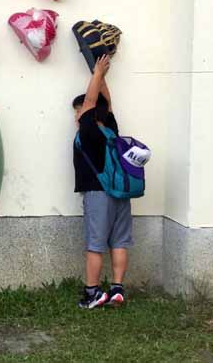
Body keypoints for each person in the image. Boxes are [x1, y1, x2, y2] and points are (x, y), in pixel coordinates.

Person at [72, 54, 132, 309]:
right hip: (120, 193)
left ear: (84, 112)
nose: (76, 115)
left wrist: (96, 73)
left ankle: (93, 293)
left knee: (95, 244)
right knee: (119, 240)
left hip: (98, 194)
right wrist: (102, 74)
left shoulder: (88, 132)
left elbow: (92, 101)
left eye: (77, 111)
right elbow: (107, 103)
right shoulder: (111, 130)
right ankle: (117, 289)